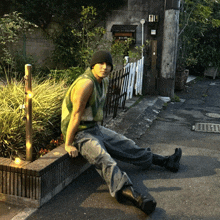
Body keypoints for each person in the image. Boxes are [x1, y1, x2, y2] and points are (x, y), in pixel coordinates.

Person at [61, 50, 182, 215]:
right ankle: (133, 195)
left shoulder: (102, 81)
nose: (104, 67)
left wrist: (100, 132)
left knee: (127, 145)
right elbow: (75, 115)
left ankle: (165, 162)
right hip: (79, 133)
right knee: (105, 159)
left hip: (93, 128)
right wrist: (68, 143)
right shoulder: (86, 84)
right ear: (92, 65)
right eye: (100, 64)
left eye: (108, 64)